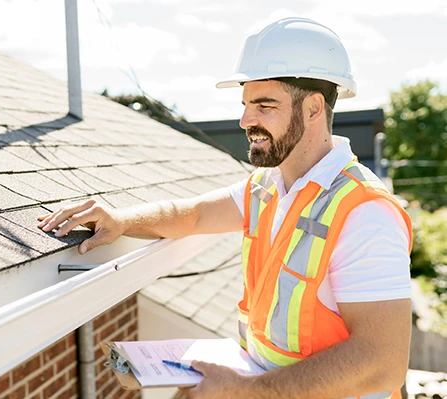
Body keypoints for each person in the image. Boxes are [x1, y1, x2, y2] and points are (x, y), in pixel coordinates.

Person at [38, 17, 412, 399]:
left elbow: (382, 363)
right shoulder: (268, 186)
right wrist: (119, 220)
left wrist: (245, 390)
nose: (246, 120)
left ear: (314, 108)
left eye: (264, 105)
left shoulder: (365, 211)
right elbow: (195, 215)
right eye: (247, 104)